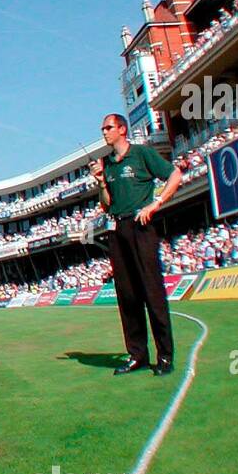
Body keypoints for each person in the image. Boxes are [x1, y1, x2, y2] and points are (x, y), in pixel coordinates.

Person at [89, 114, 182, 376]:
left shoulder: (141, 154)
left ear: (122, 129)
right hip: (116, 229)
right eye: (102, 128)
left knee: (152, 292)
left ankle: (165, 356)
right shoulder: (106, 163)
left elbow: (175, 174)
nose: (104, 132)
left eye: (108, 127)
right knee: (127, 296)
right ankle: (137, 355)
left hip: (141, 227)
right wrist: (101, 183)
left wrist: (157, 202)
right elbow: (106, 203)